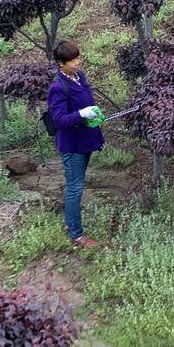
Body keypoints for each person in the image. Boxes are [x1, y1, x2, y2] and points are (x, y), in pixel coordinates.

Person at [44, 40, 105, 249]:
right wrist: (81, 114)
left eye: (78, 58)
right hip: (72, 146)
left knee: (75, 186)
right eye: (72, 60)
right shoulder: (57, 88)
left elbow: (87, 100)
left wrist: (93, 111)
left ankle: (70, 223)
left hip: (85, 141)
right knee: (75, 188)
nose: (77, 62)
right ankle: (76, 235)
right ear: (60, 63)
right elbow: (60, 120)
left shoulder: (79, 77)